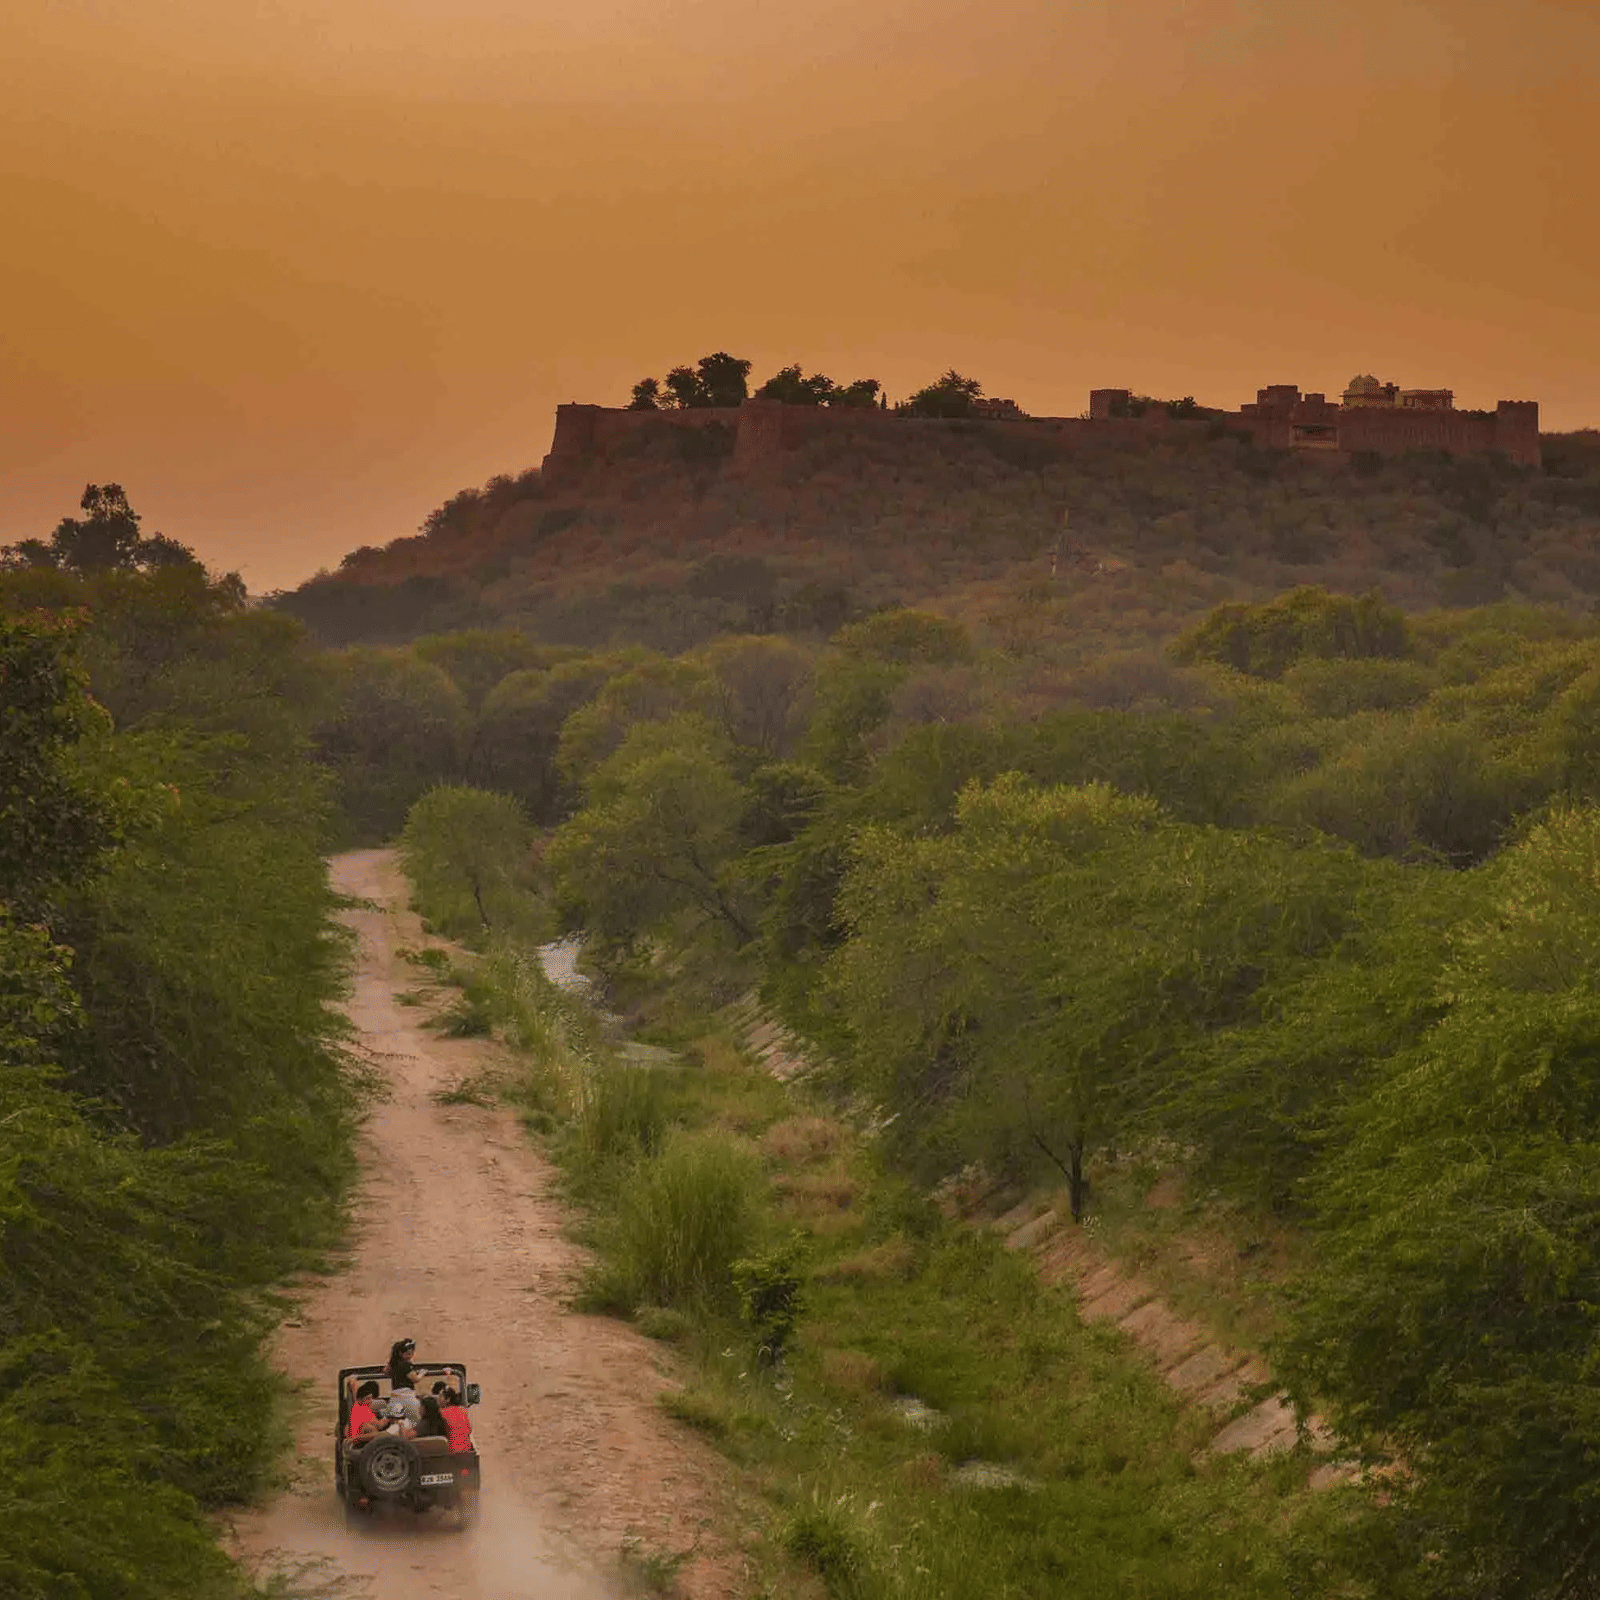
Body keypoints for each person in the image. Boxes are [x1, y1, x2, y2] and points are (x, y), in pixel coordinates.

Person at [438, 1387, 474, 1454]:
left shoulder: (442, 1413)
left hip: (449, 1451)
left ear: (447, 1399)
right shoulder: (463, 1410)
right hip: (466, 1449)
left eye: (440, 1397)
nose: (439, 1400)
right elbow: (469, 1429)